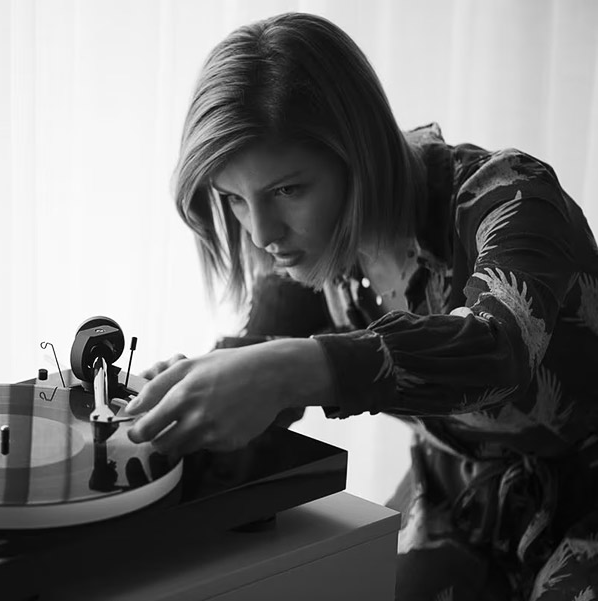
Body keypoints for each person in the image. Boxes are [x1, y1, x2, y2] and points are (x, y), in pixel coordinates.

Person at [120, 12, 598, 601]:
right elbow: (256, 354)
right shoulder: (314, 250)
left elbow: (500, 348)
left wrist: (292, 370)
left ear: (360, 151)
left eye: (287, 189)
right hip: (458, 499)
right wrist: (183, 396)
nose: (261, 233)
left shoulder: (512, 198)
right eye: (234, 199)